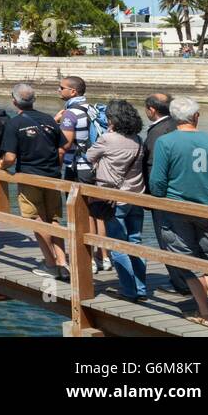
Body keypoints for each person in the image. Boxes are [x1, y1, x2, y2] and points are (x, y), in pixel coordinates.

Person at [149, 96, 208, 328]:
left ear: (175, 117)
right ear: (197, 116)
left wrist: (160, 198)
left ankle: (206, 313)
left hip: (176, 209)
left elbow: (157, 182)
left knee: (187, 262)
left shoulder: (166, 142)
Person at [0, 83, 68, 279]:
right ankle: (63, 262)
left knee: (37, 219)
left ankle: (51, 264)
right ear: (34, 100)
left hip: (29, 177)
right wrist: (55, 166)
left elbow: (10, 158)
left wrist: (0, 166)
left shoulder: (14, 124)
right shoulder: (49, 119)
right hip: (52, 177)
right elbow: (62, 148)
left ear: (14, 101)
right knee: (53, 219)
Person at [86, 101, 148, 300]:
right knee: (135, 242)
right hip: (136, 196)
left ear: (112, 119)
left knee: (117, 245)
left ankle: (129, 290)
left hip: (113, 199)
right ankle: (141, 288)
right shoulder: (138, 139)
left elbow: (89, 156)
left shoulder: (107, 139)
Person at [56, 75, 108, 272]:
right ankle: (103, 256)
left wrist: (56, 124)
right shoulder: (91, 108)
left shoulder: (70, 113)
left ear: (73, 92)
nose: (58, 91)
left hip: (77, 167)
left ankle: (89, 259)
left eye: (61, 88)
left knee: (80, 213)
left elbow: (66, 144)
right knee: (96, 214)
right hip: (93, 165)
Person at [140, 92, 186, 294]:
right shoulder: (177, 125)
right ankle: (191, 281)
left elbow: (154, 167)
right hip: (181, 191)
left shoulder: (158, 132)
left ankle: (180, 283)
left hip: (164, 195)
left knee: (168, 239)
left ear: (151, 110)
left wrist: (153, 195)